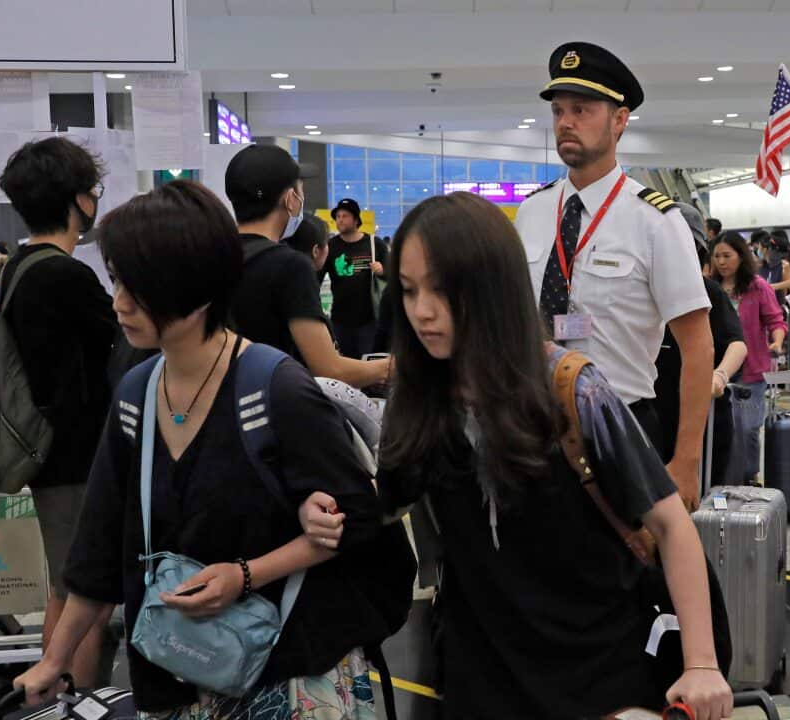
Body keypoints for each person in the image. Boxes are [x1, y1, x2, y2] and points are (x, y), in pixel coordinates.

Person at [302, 191, 732, 719]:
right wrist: (323, 511)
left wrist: (703, 665)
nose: (422, 311)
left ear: (491, 288)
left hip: (597, 673)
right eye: (409, 291)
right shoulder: (421, 397)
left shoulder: (570, 387)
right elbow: (389, 497)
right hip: (480, 675)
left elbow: (670, 524)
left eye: (442, 290)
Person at [13, 181, 394, 714]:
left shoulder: (276, 388)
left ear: (195, 287)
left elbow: (356, 517)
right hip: (176, 674)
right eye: (118, 281)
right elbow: (100, 543)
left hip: (286, 673)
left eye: (137, 286)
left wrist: (244, 575)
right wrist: (55, 661)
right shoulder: (136, 395)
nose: (119, 302)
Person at [516, 41, 714, 510]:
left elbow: (698, 346)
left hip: (619, 423)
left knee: (622, 573)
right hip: (534, 423)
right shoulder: (532, 211)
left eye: (581, 109)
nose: (565, 122)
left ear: (619, 120)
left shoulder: (656, 221)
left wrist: (685, 461)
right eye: (559, 110)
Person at [0, 137, 118, 687]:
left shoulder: (21, 267)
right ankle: (72, 700)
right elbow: (111, 355)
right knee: (84, 592)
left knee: (67, 586)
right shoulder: (65, 276)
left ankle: (56, 698)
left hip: (50, 454)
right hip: (77, 457)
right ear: (78, 200)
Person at [225, 145, 388, 389]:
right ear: (290, 200)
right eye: (300, 189)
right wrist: (391, 367)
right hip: (276, 400)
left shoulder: (216, 255)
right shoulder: (289, 265)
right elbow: (329, 369)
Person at [655, 206, 747, 488]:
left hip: (703, 420)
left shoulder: (707, 293)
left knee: (701, 505)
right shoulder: (640, 292)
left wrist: (719, 375)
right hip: (651, 419)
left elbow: (737, 344)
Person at [709, 231, 786, 483]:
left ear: (741, 256)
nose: (721, 261)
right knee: (723, 428)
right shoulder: (708, 288)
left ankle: (749, 474)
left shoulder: (757, 286)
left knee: (748, 428)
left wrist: (777, 340)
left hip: (752, 370)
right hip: (717, 369)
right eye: (717, 256)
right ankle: (723, 476)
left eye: (727, 255)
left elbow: (776, 319)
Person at [325, 198, 388, 359]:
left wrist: (383, 270)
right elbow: (316, 277)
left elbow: (393, 273)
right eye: (338, 216)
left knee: (368, 364)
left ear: (356, 219)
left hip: (369, 319)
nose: (340, 220)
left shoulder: (375, 244)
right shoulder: (331, 246)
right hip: (340, 319)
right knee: (344, 366)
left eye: (345, 216)